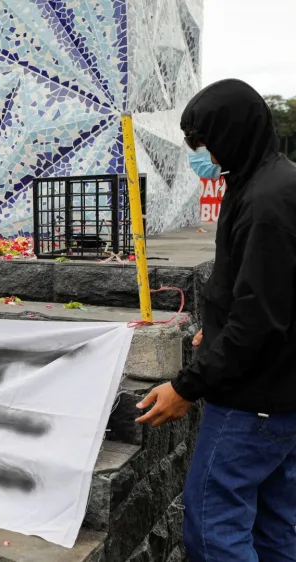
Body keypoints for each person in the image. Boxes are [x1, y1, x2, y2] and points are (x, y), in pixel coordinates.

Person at [135, 79, 296, 561]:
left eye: (201, 140)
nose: (197, 153)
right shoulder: (266, 180)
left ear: (232, 131)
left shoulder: (268, 202)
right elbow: (271, 293)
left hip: (253, 404)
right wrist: (219, 323)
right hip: (281, 396)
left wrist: (186, 386)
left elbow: (259, 318)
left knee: (213, 529)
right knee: (275, 526)